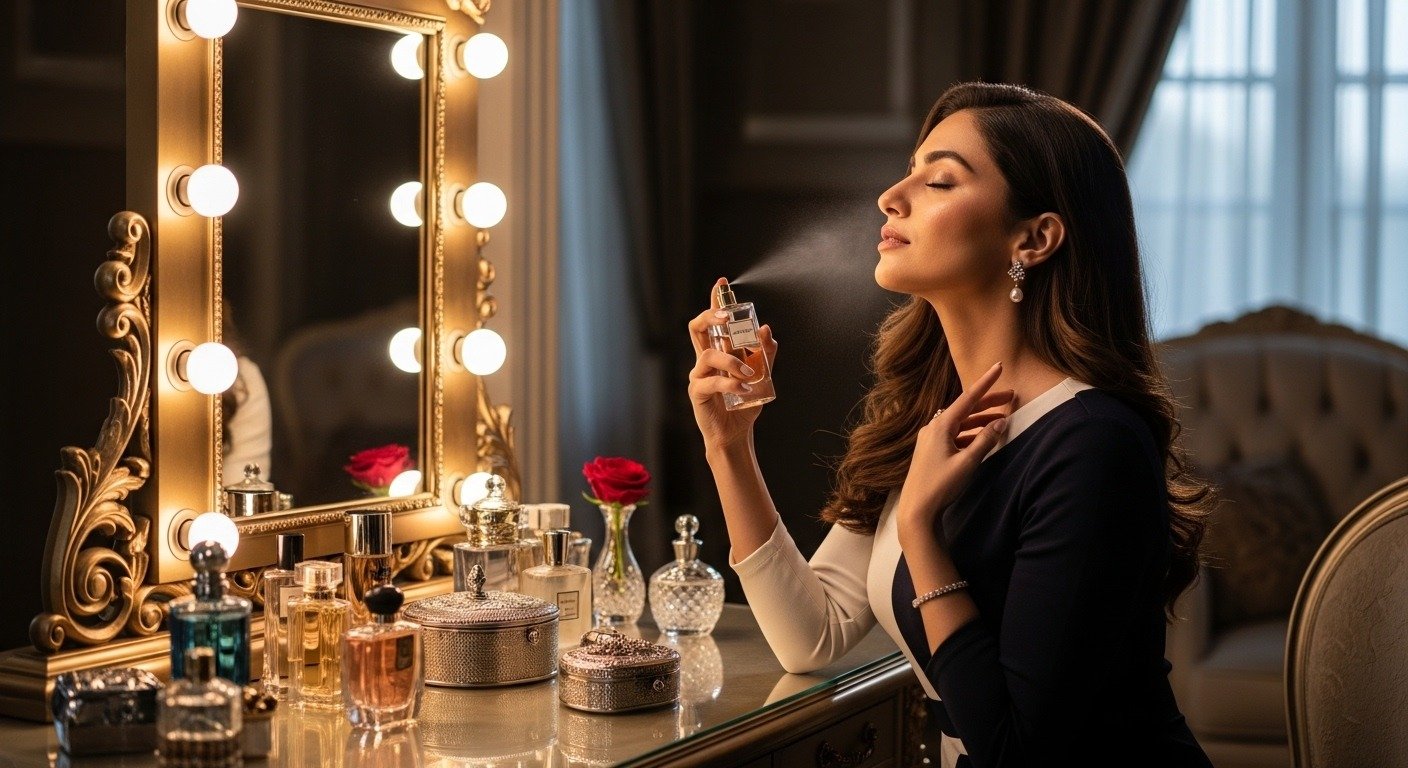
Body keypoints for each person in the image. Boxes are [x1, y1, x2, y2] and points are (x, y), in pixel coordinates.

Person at [686, 82, 1213, 767]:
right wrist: (731, 448)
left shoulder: (1092, 445)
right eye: (910, 172)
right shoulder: (928, 423)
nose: (891, 196)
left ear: (1035, 238)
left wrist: (921, 533)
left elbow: (1016, 750)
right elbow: (812, 634)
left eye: (938, 180)